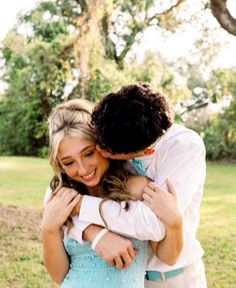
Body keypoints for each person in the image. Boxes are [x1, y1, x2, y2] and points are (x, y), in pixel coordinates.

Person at [72, 83, 207, 288]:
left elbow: (153, 224)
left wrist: (83, 206)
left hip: (175, 278)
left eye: (106, 150)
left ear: (146, 152)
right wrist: (91, 230)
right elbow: (57, 197)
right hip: (128, 278)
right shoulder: (117, 126)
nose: (98, 150)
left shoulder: (185, 148)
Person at [41, 98, 183, 288]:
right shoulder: (61, 196)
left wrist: (175, 223)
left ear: (102, 146)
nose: (82, 169)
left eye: (88, 153)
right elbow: (59, 276)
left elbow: (169, 256)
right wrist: (49, 229)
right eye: (69, 162)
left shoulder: (137, 186)